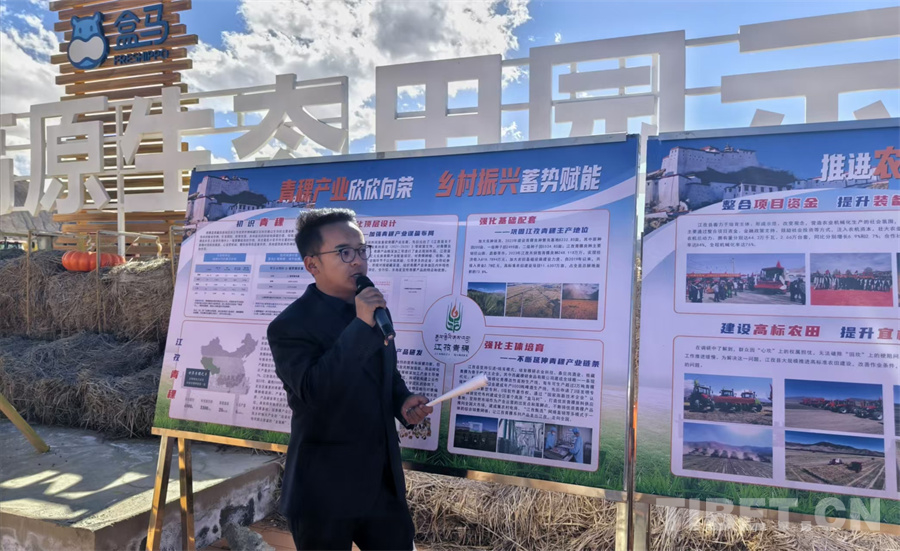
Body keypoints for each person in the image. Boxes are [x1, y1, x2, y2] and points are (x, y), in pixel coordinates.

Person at [267, 208, 433, 551]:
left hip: (382, 484)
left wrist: (402, 401)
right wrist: (360, 326)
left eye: (361, 250)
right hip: (323, 490)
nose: (357, 260)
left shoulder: (373, 310)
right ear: (312, 264)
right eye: (344, 252)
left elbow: (385, 371)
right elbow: (314, 391)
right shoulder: (289, 326)